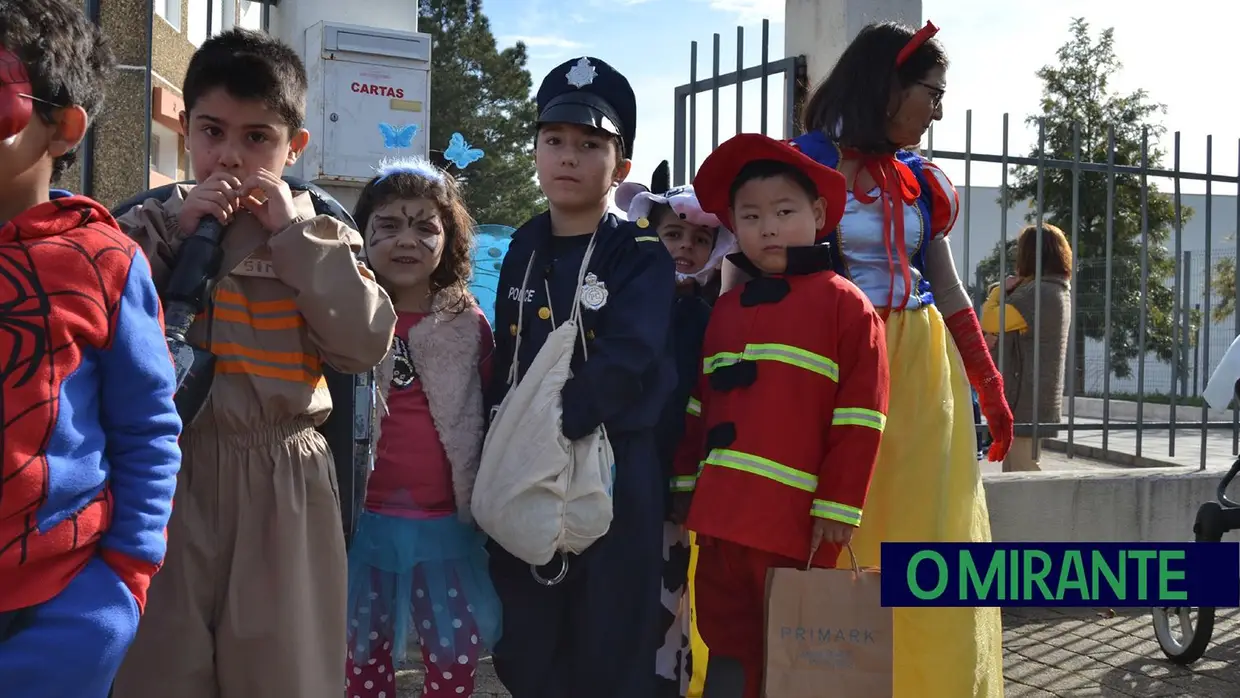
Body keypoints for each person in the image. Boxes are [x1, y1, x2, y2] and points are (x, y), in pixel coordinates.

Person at [717, 20, 1012, 697]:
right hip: (822, 368)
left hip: (917, 380)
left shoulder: (921, 182)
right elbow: (747, 269)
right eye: (932, 93)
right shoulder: (797, 164)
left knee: (924, 544)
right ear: (889, 85)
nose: (938, 110)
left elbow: (948, 283)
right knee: (819, 536)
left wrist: (988, 387)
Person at [111, 28, 397, 698]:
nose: (231, 157)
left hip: (282, 483)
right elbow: (102, 335)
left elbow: (363, 343)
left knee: (283, 669)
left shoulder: (321, 233)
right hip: (164, 476)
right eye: (213, 131)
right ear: (185, 129)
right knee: (160, 666)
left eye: (257, 138)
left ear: (293, 146)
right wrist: (174, 240)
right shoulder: (144, 228)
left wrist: (296, 240)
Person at [0, 1, 182, 696]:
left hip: (58, 611)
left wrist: (119, 589)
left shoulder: (105, 261)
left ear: (63, 125)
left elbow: (147, 428)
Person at [485, 55, 676, 698]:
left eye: (591, 144)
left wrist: (556, 422)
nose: (568, 156)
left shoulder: (641, 253)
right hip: (527, 464)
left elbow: (631, 356)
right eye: (554, 140)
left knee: (611, 643)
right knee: (529, 644)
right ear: (536, 151)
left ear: (619, 168)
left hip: (614, 466)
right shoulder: (522, 244)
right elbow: (506, 357)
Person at [673, 133, 889, 698]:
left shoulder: (847, 306)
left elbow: (862, 417)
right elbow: (700, 405)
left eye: (784, 211)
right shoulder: (723, 309)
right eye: (750, 215)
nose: (767, 227)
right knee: (726, 648)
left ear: (818, 214)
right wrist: (683, 483)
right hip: (720, 521)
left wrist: (840, 507)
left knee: (797, 661)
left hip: (797, 527)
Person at [344, 157, 503, 698]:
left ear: (449, 239)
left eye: (424, 226)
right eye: (388, 225)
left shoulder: (468, 322)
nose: (405, 240)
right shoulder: (344, 313)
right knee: (362, 661)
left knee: (454, 661)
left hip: (447, 527)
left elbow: (486, 406)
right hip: (362, 524)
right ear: (361, 233)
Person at [616, 162, 737, 698]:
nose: (685, 246)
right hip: (621, 476)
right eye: (673, 234)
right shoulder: (622, 306)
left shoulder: (714, 317)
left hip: (679, 485)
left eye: (700, 238)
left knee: (670, 601)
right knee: (621, 598)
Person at [982, 223, 1072, 472]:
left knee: (1024, 469)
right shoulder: (1053, 289)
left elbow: (990, 320)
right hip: (1030, 394)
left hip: (1026, 397)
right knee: (1015, 469)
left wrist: (998, 291)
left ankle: (1044, 513)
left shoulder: (1038, 294)